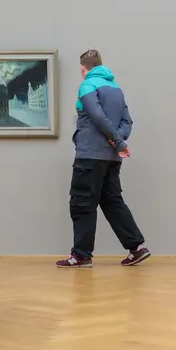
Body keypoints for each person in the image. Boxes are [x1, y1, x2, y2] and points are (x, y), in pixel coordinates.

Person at [56, 49, 150, 268]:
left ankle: (81, 255)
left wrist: (117, 142)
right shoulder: (116, 89)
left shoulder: (87, 85)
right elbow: (127, 121)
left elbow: (98, 116)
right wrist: (117, 140)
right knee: (112, 202)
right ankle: (136, 248)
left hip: (89, 155)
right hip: (111, 159)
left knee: (81, 203)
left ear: (83, 67)